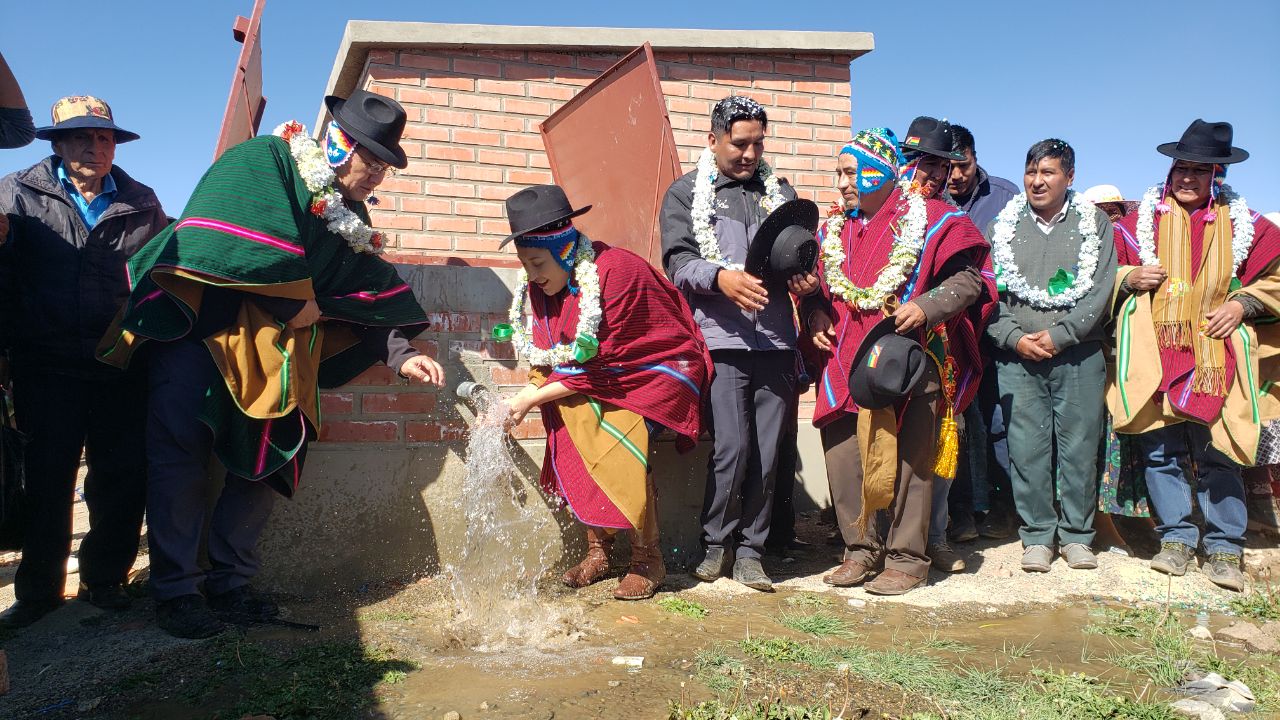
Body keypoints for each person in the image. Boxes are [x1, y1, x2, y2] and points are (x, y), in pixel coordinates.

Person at [99, 90, 445, 637]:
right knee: (179, 458)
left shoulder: (348, 218)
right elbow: (221, 237)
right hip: (200, 337)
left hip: (276, 357)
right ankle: (177, 592)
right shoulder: (265, 158)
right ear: (339, 144)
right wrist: (291, 302)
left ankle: (231, 583)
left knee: (270, 457)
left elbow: (365, 288)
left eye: (387, 167)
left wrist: (402, 356)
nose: (379, 176)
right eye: (373, 162)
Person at [803, 127, 996, 595]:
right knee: (843, 457)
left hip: (908, 357)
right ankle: (859, 551)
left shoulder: (935, 220)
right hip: (844, 359)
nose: (842, 183)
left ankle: (908, 560)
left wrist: (927, 306)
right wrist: (813, 312)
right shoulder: (831, 230)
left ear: (877, 171)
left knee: (913, 461)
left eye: (850, 172)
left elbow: (970, 281)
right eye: (839, 173)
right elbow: (815, 290)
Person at [499, 185, 713, 600]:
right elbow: (552, 356)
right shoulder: (541, 288)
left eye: (538, 263)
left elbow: (604, 362)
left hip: (656, 373)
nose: (532, 275)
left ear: (564, 251)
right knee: (569, 419)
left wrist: (527, 399)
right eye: (525, 265)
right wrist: (529, 391)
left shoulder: (616, 271)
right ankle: (598, 550)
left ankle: (648, 559)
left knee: (618, 431)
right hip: (596, 376)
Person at [0, 96, 166, 628]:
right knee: (47, 479)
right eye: (80, 137)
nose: (94, 147)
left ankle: (105, 579)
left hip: (120, 364)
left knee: (120, 474)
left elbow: (161, 275)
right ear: (57, 143)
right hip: (44, 363)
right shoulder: (16, 193)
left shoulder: (143, 201)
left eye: (104, 138)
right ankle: (39, 592)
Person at [1110, 119, 1280, 591]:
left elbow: (1276, 276)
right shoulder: (1137, 223)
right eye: (1181, 168)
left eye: (1200, 170)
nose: (1188, 177)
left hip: (1216, 356)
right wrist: (1128, 278)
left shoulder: (1247, 224)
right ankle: (1177, 540)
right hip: (1155, 354)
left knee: (1219, 451)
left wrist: (1242, 304)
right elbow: (1105, 271)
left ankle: (1224, 547)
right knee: (1160, 450)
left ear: (1216, 175)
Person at [660, 96, 818, 591]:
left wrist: (806, 281)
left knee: (769, 451)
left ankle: (752, 552)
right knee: (733, 446)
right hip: (722, 340)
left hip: (776, 340)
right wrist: (720, 278)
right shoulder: (686, 193)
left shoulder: (781, 193)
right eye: (740, 143)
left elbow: (801, 257)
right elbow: (677, 263)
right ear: (713, 140)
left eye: (758, 144)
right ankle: (715, 545)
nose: (750, 154)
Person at [985, 139, 1116, 573]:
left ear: (1069, 177)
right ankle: (1038, 536)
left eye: (1048, 172)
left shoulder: (1094, 223)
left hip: (1078, 355)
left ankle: (1077, 536)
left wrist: (1061, 335)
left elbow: (1101, 290)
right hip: (1018, 357)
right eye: (1031, 172)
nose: (1037, 181)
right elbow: (988, 293)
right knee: (1026, 449)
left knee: (1079, 447)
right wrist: (1014, 338)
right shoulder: (1002, 226)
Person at [900, 116, 973, 574]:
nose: (933, 174)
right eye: (924, 163)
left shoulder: (952, 222)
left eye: (942, 166)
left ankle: (936, 537)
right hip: (878, 350)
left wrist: (929, 306)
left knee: (939, 441)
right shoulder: (871, 214)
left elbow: (972, 281)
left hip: (937, 348)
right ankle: (875, 539)